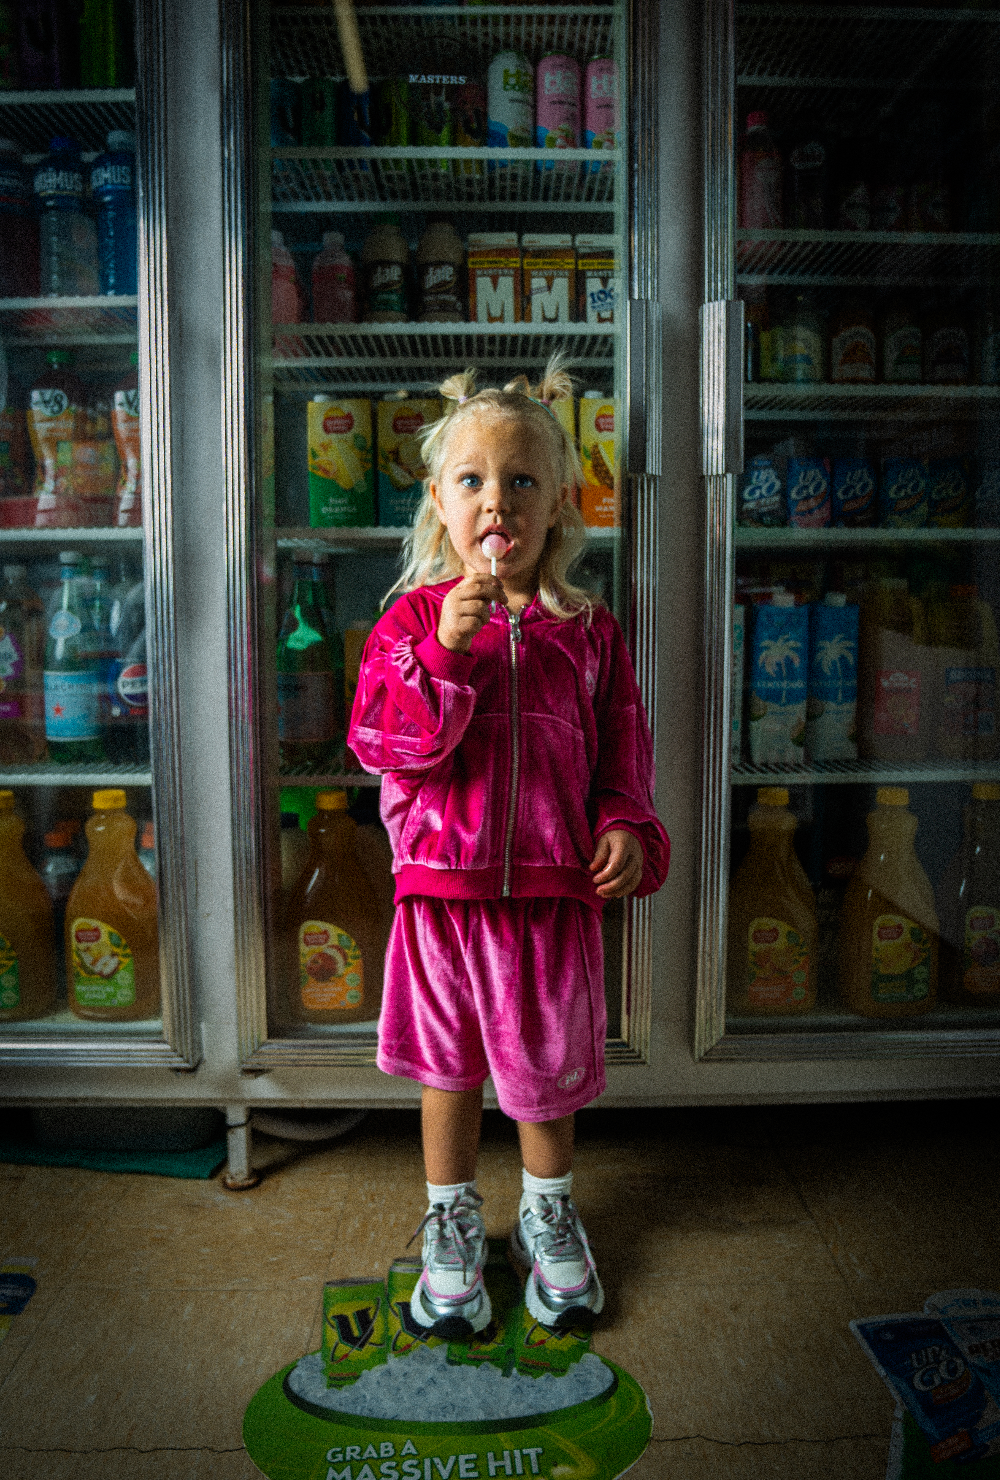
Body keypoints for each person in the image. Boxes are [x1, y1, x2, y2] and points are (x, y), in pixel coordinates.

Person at [348, 357, 669, 1340]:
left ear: (560, 500)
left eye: (522, 479)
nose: (498, 500)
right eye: (474, 479)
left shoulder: (588, 630)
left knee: (543, 1069)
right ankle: (450, 1219)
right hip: (441, 898)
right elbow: (382, 742)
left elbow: (622, 746)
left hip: (547, 894)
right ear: (438, 500)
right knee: (447, 1070)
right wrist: (442, 652)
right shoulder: (410, 621)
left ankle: (547, 1209)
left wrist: (623, 820)